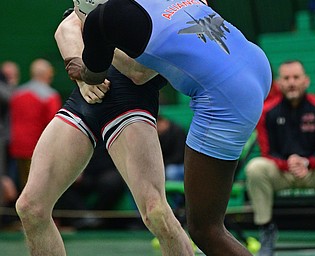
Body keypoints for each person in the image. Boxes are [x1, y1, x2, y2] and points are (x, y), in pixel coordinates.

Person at [66, 0, 272, 255]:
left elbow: (97, 76)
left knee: (205, 230)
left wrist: (81, 66)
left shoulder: (101, 18)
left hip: (227, 95)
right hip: (253, 62)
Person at [15, 9, 194, 256]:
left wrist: (96, 31)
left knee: (156, 213)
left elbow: (139, 72)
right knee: (30, 207)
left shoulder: (177, 9)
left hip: (131, 105)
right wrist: (85, 77)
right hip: (84, 100)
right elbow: (66, 28)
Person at [245, 60, 315, 256]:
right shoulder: (267, 111)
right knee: (256, 167)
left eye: (296, 77)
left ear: (306, 80)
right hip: (281, 173)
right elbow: (267, 152)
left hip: (314, 171)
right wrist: (287, 163)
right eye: (286, 78)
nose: (292, 82)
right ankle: (267, 231)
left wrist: (307, 162)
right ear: (279, 83)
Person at [9, 59, 62, 191]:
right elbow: (53, 126)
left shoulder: (17, 94)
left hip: (17, 147)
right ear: (47, 74)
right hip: (39, 149)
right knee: (38, 188)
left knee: (24, 184)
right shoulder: (50, 96)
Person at [55, 144, 127, 230]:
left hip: (104, 170)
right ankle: (83, 217)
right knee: (61, 181)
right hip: (79, 171)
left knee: (114, 181)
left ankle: (96, 218)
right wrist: (73, 168)